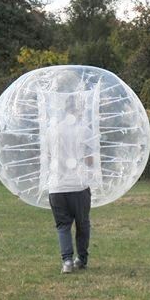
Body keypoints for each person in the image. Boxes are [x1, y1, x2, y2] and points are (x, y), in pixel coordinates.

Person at [45, 95, 98, 274]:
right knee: (82, 225)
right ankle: (81, 259)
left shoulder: (51, 131)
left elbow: (49, 158)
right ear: (76, 110)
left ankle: (67, 262)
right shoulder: (85, 131)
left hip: (56, 187)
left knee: (63, 226)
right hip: (78, 186)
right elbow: (89, 160)